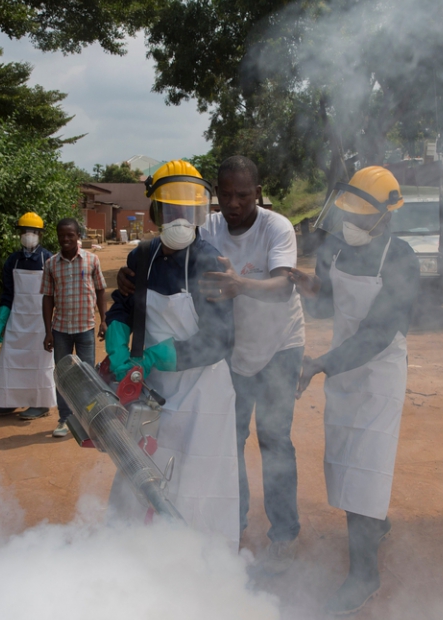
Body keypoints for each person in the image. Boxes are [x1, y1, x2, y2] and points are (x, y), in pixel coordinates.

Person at [117, 155, 305, 574]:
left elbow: (283, 287)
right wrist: (128, 279)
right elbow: (166, 254)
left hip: (278, 347)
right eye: (227, 195)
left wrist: (240, 284)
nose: (234, 203)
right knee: (228, 441)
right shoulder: (209, 227)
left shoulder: (277, 228)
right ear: (214, 196)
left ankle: (284, 533)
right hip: (231, 353)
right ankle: (232, 523)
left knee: (274, 440)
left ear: (258, 192)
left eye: (243, 194)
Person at [289, 166, 419, 616]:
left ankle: (365, 575)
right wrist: (306, 286)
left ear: (386, 218)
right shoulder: (336, 250)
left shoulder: (401, 259)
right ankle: (375, 522)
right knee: (345, 459)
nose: (352, 225)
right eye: (350, 215)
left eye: (363, 218)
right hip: (343, 371)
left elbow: (379, 332)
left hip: (379, 373)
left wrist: (322, 364)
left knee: (366, 464)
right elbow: (329, 306)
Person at [104, 160, 239, 546]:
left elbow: (219, 340)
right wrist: (117, 338)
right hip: (152, 390)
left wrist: (151, 357)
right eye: (171, 209)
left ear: (199, 212)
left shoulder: (208, 262)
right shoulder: (141, 257)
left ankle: (197, 563)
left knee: (196, 480)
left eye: (188, 210)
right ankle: (138, 557)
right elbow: (125, 306)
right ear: (155, 212)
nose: (180, 218)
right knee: (142, 472)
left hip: (202, 390)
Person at [41, 218, 107, 438]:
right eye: (62, 235)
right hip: (60, 330)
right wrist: (48, 331)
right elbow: (48, 298)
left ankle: (89, 420)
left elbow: (100, 291)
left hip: (85, 327)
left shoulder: (91, 260)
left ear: (78, 235)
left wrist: (104, 320)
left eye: (70, 234)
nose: (66, 239)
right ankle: (65, 419)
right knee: (64, 375)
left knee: (88, 375)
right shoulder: (51, 264)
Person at [0, 212, 57, 420]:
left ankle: (41, 404)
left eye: (33, 231)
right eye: (25, 231)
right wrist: (1, 319)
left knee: (39, 362)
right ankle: (12, 399)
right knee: (12, 359)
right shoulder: (13, 261)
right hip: (17, 319)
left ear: (40, 234)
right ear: (19, 234)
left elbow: (55, 293)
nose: (29, 235)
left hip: (41, 321)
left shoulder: (49, 259)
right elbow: (8, 292)